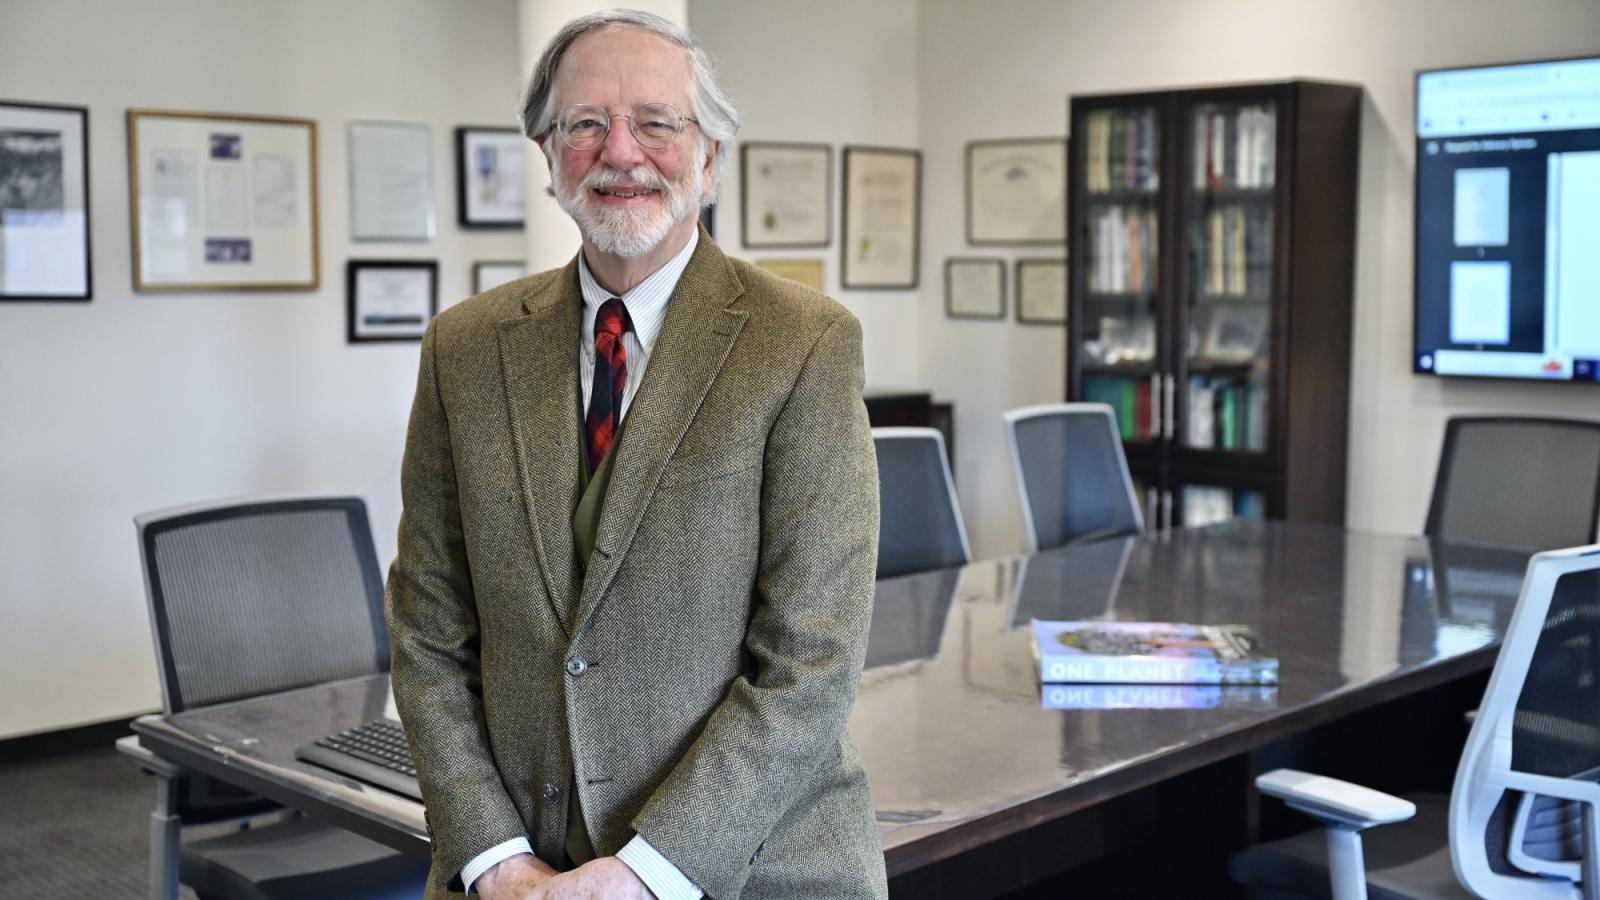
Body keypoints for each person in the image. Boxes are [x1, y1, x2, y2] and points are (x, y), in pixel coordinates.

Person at [385, 9, 887, 900]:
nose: (622, 152)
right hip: (518, 873)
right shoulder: (462, 349)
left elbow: (811, 657)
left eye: (657, 122)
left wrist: (647, 872)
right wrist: (493, 856)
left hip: (747, 867)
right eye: (585, 124)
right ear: (548, 154)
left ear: (711, 157)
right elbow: (428, 632)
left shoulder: (802, 343)